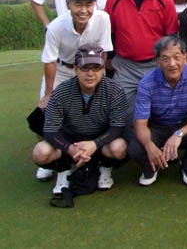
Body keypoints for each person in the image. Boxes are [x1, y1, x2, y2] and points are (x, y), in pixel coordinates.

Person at [32, 44, 128, 194]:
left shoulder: (115, 91)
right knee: (41, 152)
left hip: (100, 142)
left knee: (119, 147)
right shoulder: (61, 92)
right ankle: (63, 170)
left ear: (103, 69)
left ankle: (105, 167)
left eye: (96, 68)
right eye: (85, 68)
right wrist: (70, 148)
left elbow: (118, 127)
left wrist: (94, 144)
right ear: (75, 69)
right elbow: (50, 130)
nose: (90, 73)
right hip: (69, 142)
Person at [127, 36, 187, 186]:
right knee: (135, 147)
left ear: (185, 57)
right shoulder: (147, 82)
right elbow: (140, 123)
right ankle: (152, 166)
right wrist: (150, 146)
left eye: (176, 57)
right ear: (158, 62)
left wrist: (178, 134)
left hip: (185, 125)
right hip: (158, 127)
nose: (172, 64)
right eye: (166, 59)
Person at [105, 0, 179, 116]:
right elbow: (109, 32)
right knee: (122, 110)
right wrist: (109, 57)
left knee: (160, 109)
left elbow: (171, 35)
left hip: (156, 64)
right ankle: (129, 141)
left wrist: (167, 63)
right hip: (126, 66)